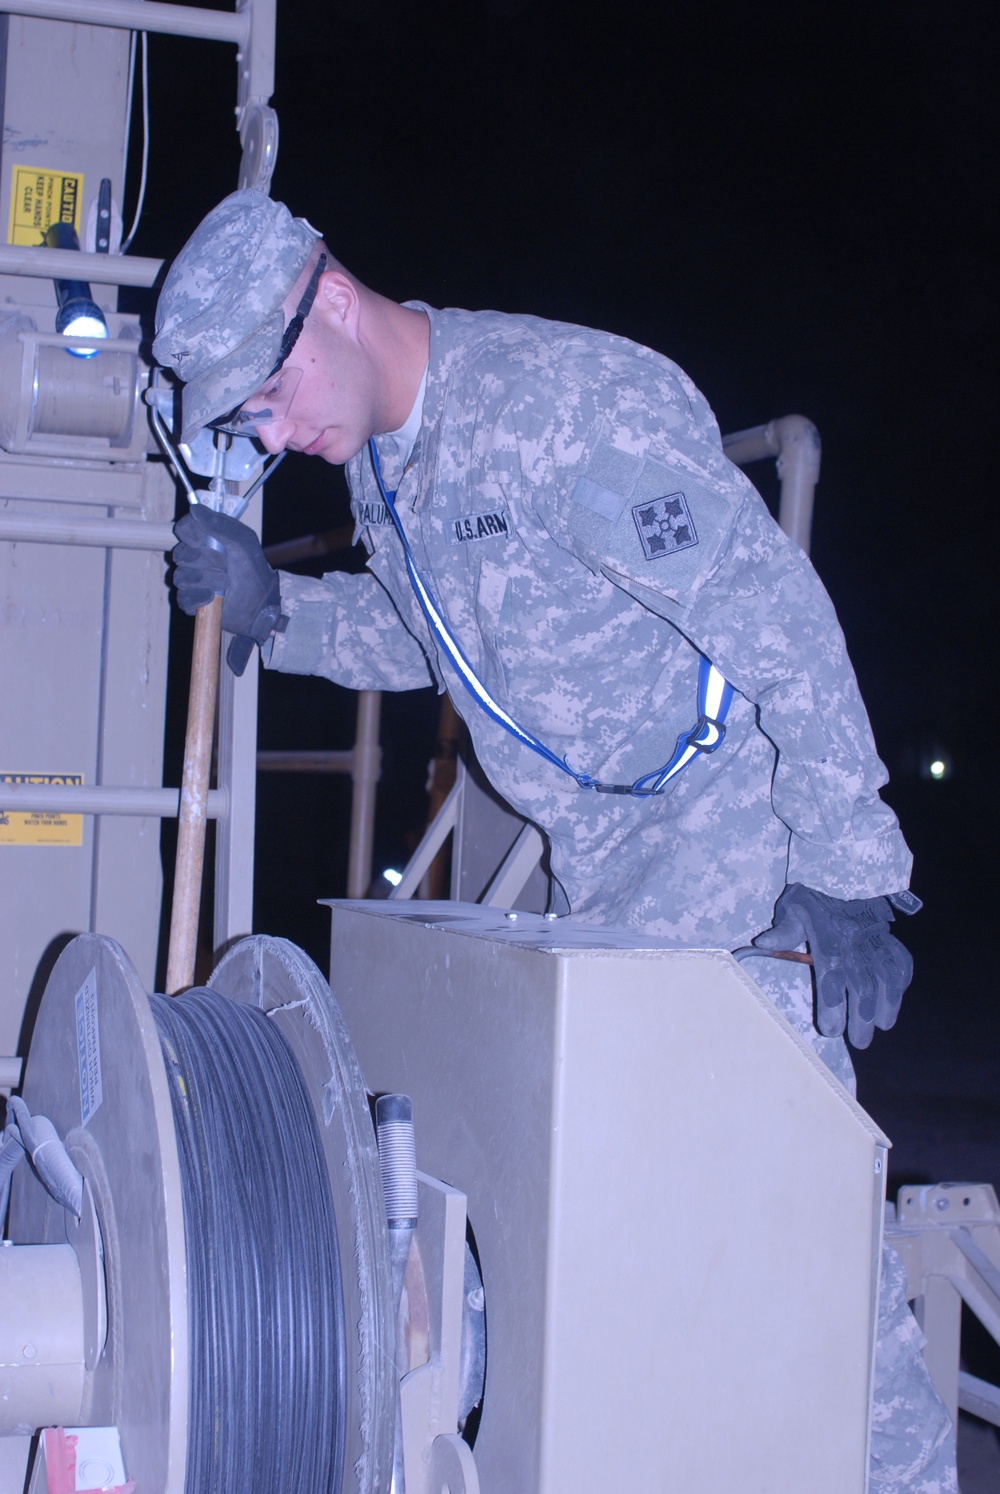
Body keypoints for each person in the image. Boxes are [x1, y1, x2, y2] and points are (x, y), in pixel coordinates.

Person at [154, 190, 956, 1491]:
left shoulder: (564, 410)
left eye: (265, 397)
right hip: (609, 861)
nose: (274, 436)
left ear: (334, 304)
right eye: (249, 421)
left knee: (788, 1213)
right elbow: (436, 642)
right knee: (640, 1200)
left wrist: (849, 866)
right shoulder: (391, 466)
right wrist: (276, 606)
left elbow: (769, 606)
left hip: (726, 831)